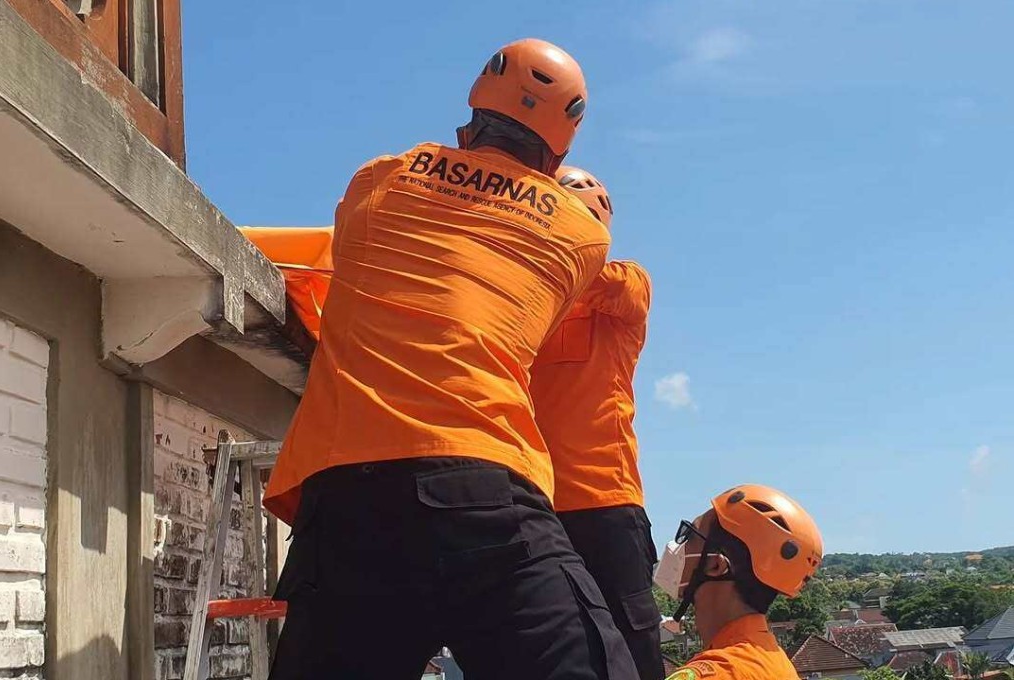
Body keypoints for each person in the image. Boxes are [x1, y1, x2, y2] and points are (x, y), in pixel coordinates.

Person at [264, 38, 639, 680]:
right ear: (559, 154)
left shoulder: (379, 179)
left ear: (469, 117)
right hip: (484, 489)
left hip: (347, 502)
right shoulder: (582, 236)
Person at [530, 166, 663, 680]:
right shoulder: (521, 305)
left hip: (606, 505)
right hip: (530, 505)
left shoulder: (626, 282)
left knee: (633, 655)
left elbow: (600, 281)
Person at [653, 484, 823, 679]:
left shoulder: (713, 674)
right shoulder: (777, 663)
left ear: (715, 565)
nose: (679, 545)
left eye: (690, 535)